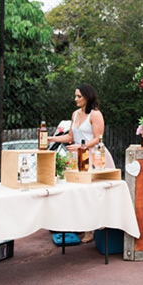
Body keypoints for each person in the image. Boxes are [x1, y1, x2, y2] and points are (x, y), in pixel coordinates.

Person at [47, 83, 115, 243]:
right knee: (80, 193)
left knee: (94, 193)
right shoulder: (75, 114)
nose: (75, 99)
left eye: (79, 96)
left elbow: (98, 138)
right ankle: (83, 226)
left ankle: (93, 229)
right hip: (78, 157)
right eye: (75, 95)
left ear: (87, 97)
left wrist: (82, 146)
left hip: (95, 157)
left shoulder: (95, 114)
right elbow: (70, 137)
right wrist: (52, 138)